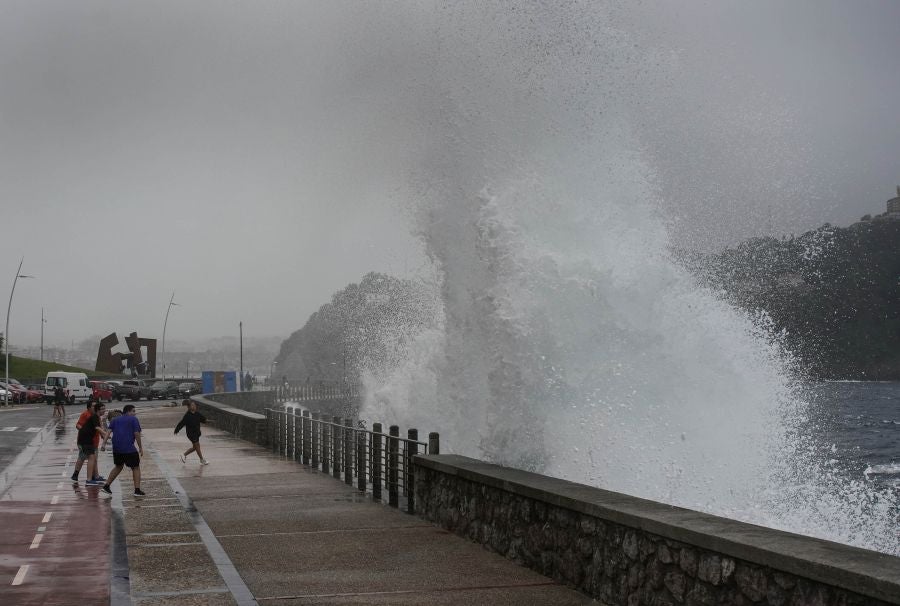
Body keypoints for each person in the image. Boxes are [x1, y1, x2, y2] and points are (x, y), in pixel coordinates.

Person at [101, 404, 145, 497]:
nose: (134, 413)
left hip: (117, 448)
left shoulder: (115, 420)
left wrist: (103, 444)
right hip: (129, 448)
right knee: (135, 467)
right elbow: (137, 433)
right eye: (133, 411)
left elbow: (108, 432)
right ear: (128, 411)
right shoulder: (133, 419)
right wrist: (140, 447)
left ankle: (106, 486)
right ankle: (137, 490)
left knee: (118, 466)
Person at [73, 402, 107, 486]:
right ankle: (88, 479)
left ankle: (93, 477)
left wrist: (103, 435)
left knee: (92, 458)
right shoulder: (92, 416)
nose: (104, 410)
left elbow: (100, 427)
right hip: (85, 440)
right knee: (88, 457)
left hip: (89, 440)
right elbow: (97, 427)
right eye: (102, 409)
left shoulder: (97, 416)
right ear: (97, 410)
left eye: (104, 409)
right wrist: (106, 434)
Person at [174, 399, 208, 465]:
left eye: (194, 405)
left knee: (195, 447)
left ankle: (184, 455)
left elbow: (204, 420)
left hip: (197, 433)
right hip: (191, 434)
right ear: (189, 407)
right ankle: (202, 459)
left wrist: (210, 421)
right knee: (197, 446)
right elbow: (181, 423)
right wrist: (177, 430)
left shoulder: (197, 414)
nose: (194, 407)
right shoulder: (187, 416)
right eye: (192, 405)